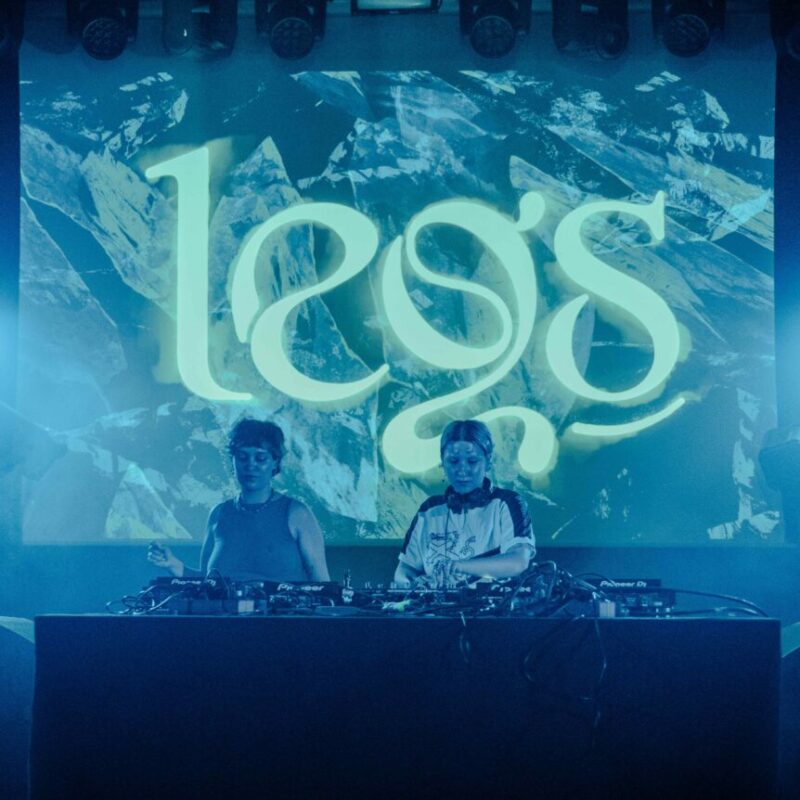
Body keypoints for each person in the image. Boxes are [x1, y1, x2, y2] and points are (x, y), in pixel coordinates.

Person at [148, 418, 329, 582]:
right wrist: (174, 565)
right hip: (223, 610)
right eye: (242, 457)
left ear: (275, 462)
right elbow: (206, 582)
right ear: (233, 461)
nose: (251, 465)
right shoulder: (219, 514)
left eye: (260, 458)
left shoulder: (297, 514)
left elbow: (322, 584)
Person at [394, 419, 535, 588]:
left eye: (472, 461)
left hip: (490, 604)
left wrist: (457, 566)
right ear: (442, 462)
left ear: (488, 461)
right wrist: (412, 584)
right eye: (453, 461)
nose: (462, 470)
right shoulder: (429, 510)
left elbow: (518, 561)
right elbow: (404, 569)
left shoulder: (507, 503)